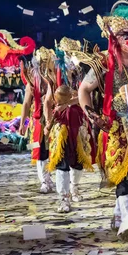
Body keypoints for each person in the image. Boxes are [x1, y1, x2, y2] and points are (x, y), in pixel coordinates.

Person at [77, 8, 128, 241]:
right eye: (125, 35)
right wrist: (91, 115)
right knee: (124, 174)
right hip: (116, 127)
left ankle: (120, 215)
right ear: (114, 39)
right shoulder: (103, 63)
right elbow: (84, 90)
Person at [44, 85, 93, 213]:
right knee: (62, 165)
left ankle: (74, 188)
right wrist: (48, 123)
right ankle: (63, 198)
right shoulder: (51, 84)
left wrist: (69, 102)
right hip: (62, 134)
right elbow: (47, 103)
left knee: (78, 165)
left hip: (77, 133)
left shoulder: (81, 84)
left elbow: (85, 97)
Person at [20, 48, 56, 193]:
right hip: (38, 123)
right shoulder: (33, 81)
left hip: (56, 120)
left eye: (47, 63)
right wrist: (23, 123)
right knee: (39, 151)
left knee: (56, 151)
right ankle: (45, 181)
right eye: (41, 63)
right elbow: (26, 104)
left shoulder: (57, 78)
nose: (44, 67)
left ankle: (62, 178)